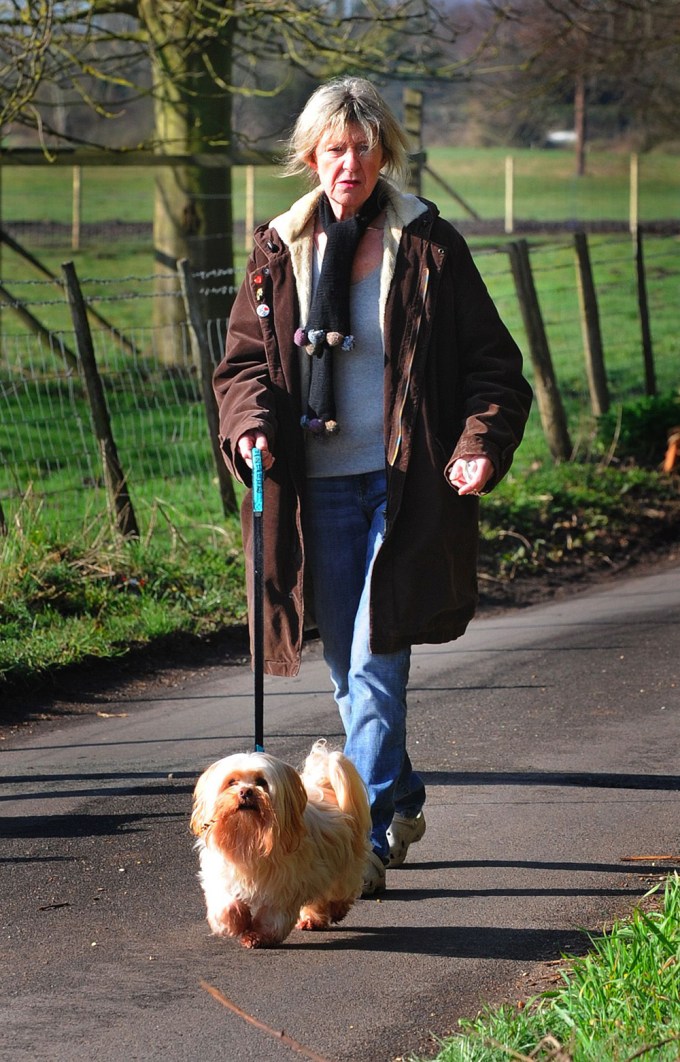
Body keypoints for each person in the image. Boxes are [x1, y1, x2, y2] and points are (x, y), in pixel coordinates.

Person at [213, 77, 532, 896]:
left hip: (406, 488)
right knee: (346, 672)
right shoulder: (277, 250)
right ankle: (399, 798)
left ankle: (362, 845)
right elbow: (244, 365)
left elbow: (496, 368)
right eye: (331, 150)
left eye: (361, 147)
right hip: (310, 493)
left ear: (383, 151)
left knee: (375, 657)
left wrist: (477, 446)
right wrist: (249, 423)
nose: (346, 163)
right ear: (310, 157)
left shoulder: (430, 246)